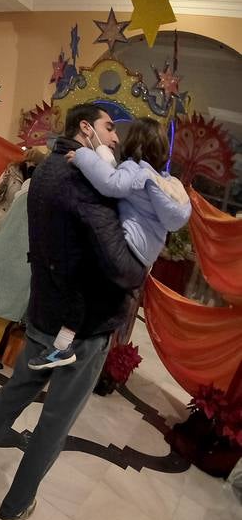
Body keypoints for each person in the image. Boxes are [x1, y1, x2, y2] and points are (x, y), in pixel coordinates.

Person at [0, 105, 148, 520]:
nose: (115, 140)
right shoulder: (84, 181)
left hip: (46, 312)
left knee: (10, 399)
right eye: (110, 129)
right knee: (55, 421)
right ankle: (15, 503)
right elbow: (121, 265)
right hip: (84, 325)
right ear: (86, 128)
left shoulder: (49, 168)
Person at [29, 116, 190, 370]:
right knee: (100, 291)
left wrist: (83, 156)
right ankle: (69, 345)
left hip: (126, 249)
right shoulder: (165, 183)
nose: (115, 138)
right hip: (143, 261)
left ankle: (62, 347)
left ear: (134, 142)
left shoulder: (135, 169)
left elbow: (111, 183)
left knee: (82, 277)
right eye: (110, 128)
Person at [0, 148, 48, 367]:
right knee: (3, 302)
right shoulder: (36, 192)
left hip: (8, 244)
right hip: (17, 251)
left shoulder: (29, 188)